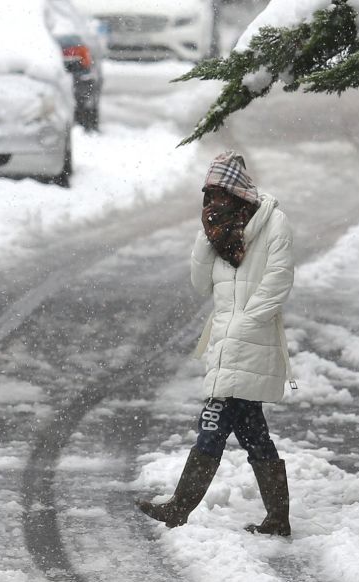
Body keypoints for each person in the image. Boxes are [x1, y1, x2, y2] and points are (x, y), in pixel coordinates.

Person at [137, 151, 295, 537]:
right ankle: (278, 518)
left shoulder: (274, 222)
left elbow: (279, 279)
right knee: (253, 431)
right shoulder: (218, 229)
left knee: (211, 424)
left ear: (238, 192)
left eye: (218, 194)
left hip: (250, 338)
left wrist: (247, 323)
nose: (211, 202)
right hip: (225, 340)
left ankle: (179, 508)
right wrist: (205, 236)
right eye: (207, 195)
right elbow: (199, 283)